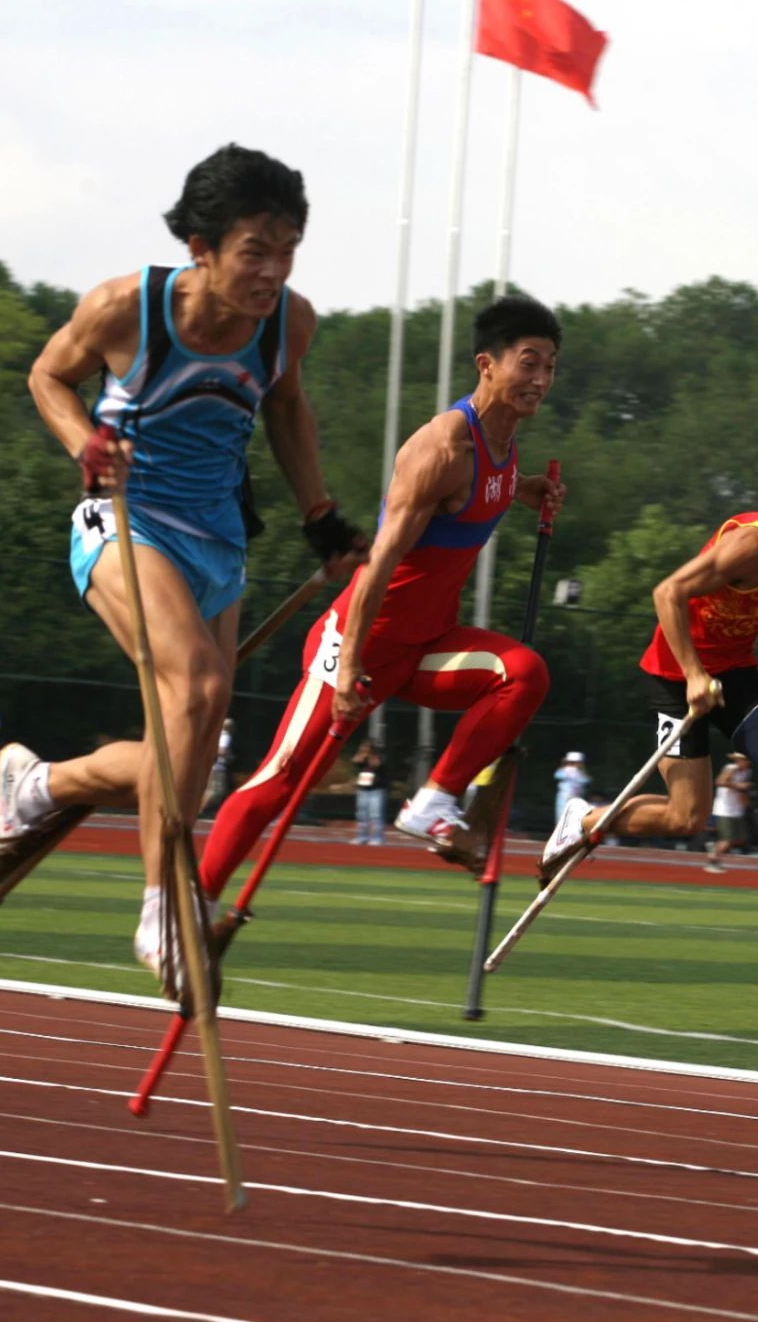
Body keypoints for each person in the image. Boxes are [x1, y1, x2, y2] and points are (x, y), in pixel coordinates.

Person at [0, 144, 366, 980]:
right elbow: (48, 376)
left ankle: (37, 787)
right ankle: (164, 916)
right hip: (125, 521)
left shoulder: (288, 324)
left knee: (186, 761)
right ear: (202, 247)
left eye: (287, 249)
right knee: (197, 690)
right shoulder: (128, 308)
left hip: (217, 542)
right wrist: (86, 440)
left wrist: (321, 516)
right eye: (254, 250)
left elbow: (289, 407)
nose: (272, 271)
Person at [196, 295, 565, 905]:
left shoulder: (505, 449)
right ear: (486, 365)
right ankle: (192, 905)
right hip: (359, 647)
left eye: (550, 367)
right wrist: (347, 671)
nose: (541, 380)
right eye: (529, 363)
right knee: (280, 781)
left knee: (523, 674)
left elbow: (475, 504)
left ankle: (434, 801)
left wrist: (523, 490)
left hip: (423, 648)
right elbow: (376, 569)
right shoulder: (444, 449)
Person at [543, 470, 758, 940]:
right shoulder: (756, 544)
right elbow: (668, 592)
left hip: (736, 670)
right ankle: (584, 820)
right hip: (674, 673)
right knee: (687, 817)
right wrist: (694, 675)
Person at [704, 751, 751, 873]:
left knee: (740, 839)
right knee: (727, 840)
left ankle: (714, 848)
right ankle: (712, 861)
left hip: (737, 810)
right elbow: (720, 782)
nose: (744, 763)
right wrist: (738, 786)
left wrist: (744, 800)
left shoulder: (747, 772)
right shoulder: (730, 768)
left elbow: (742, 791)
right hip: (724, 809)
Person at [351, 740, 389, 846]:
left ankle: (377, 838)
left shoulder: (379, 756)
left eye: (367, 748)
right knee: (361, 815)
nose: (365, 751)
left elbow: (376, 764)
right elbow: (355, 760)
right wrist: (362, 754)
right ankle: (362, 837)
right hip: (363, 789)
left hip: (376, 790)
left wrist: (371, 755)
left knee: (375, 815)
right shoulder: (362, 757)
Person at [200, 718, 235, 816]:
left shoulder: (218, 734)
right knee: (217, 790)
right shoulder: (226, 736)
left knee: (213, 789)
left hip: (215, 767)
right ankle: (202, 809)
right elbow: (222, 750)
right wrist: (229, 756)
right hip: (219, 767)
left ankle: (206, 809)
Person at [553, 751, 591, 824]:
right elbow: (557, 775)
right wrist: (563, 766)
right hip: (564, 798)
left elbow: (586, 780)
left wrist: (582, 769)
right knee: (562, 818)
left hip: (577, 798)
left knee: (575, 818)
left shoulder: (581, 772)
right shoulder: (565, 770)